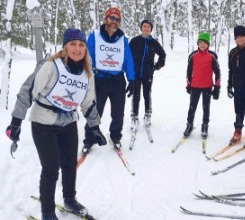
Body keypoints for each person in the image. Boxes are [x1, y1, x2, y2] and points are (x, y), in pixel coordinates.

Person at [5, 28, 107, 220]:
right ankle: (48, 212)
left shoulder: (87, 72)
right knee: (51, 168)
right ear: (65, 46)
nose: (77, 49)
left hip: (68, 122)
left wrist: (95, 127)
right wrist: (16, 122)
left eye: (81, 45)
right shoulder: (51, 65)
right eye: (73, 44)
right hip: (43, 122)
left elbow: (88, 103)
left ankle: (70, 199)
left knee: (69, 164)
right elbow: (28, 91)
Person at [82, 6, 135, 153]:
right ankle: (90, 139)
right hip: (99, 80)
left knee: (118, 112)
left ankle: (115, 136)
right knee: (95, 111)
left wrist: (131, 79)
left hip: (117, 80)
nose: (115, 22)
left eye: (117, 19)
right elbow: (87, 56)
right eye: (112, 18)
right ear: (106, 19)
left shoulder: (122, 39)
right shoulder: (95, 35)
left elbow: (128, 59)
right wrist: (85, 76)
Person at [129, 19, 166, 128]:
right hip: (136, 74)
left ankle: (147, 114)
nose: (146, 28)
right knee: (136, 95)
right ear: (141, 28)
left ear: (151, 29)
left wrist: (155, 67)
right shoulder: (134, 41)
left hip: (147, 74)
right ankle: (134, 116)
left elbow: (162, 55)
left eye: (148, 27)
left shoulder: (153, 43)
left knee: (146, 94)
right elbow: (128, 56)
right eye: (144, 26)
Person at [183, 32, 221, 139]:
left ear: (208, 44)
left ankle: (205, 126)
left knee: (206, 108)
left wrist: (217, 88)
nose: (202, 45)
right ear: (198, 44)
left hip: (207, 87)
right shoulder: (193, 56)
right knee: (192, 107)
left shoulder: (212, 56)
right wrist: (188, 85)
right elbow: (188, 72)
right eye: (200, 43)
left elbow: (218, 73)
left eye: (205, 43)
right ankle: (189, 125)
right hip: (195, 86)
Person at [227, 25, 245, 145]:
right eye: (238, 37)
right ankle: (238, 131)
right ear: (235, 39)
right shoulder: (232, 53)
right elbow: (231, 70)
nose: (240, 39)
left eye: (242, 36)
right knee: (238, 110)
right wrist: (229, 85)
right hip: (237, 87)